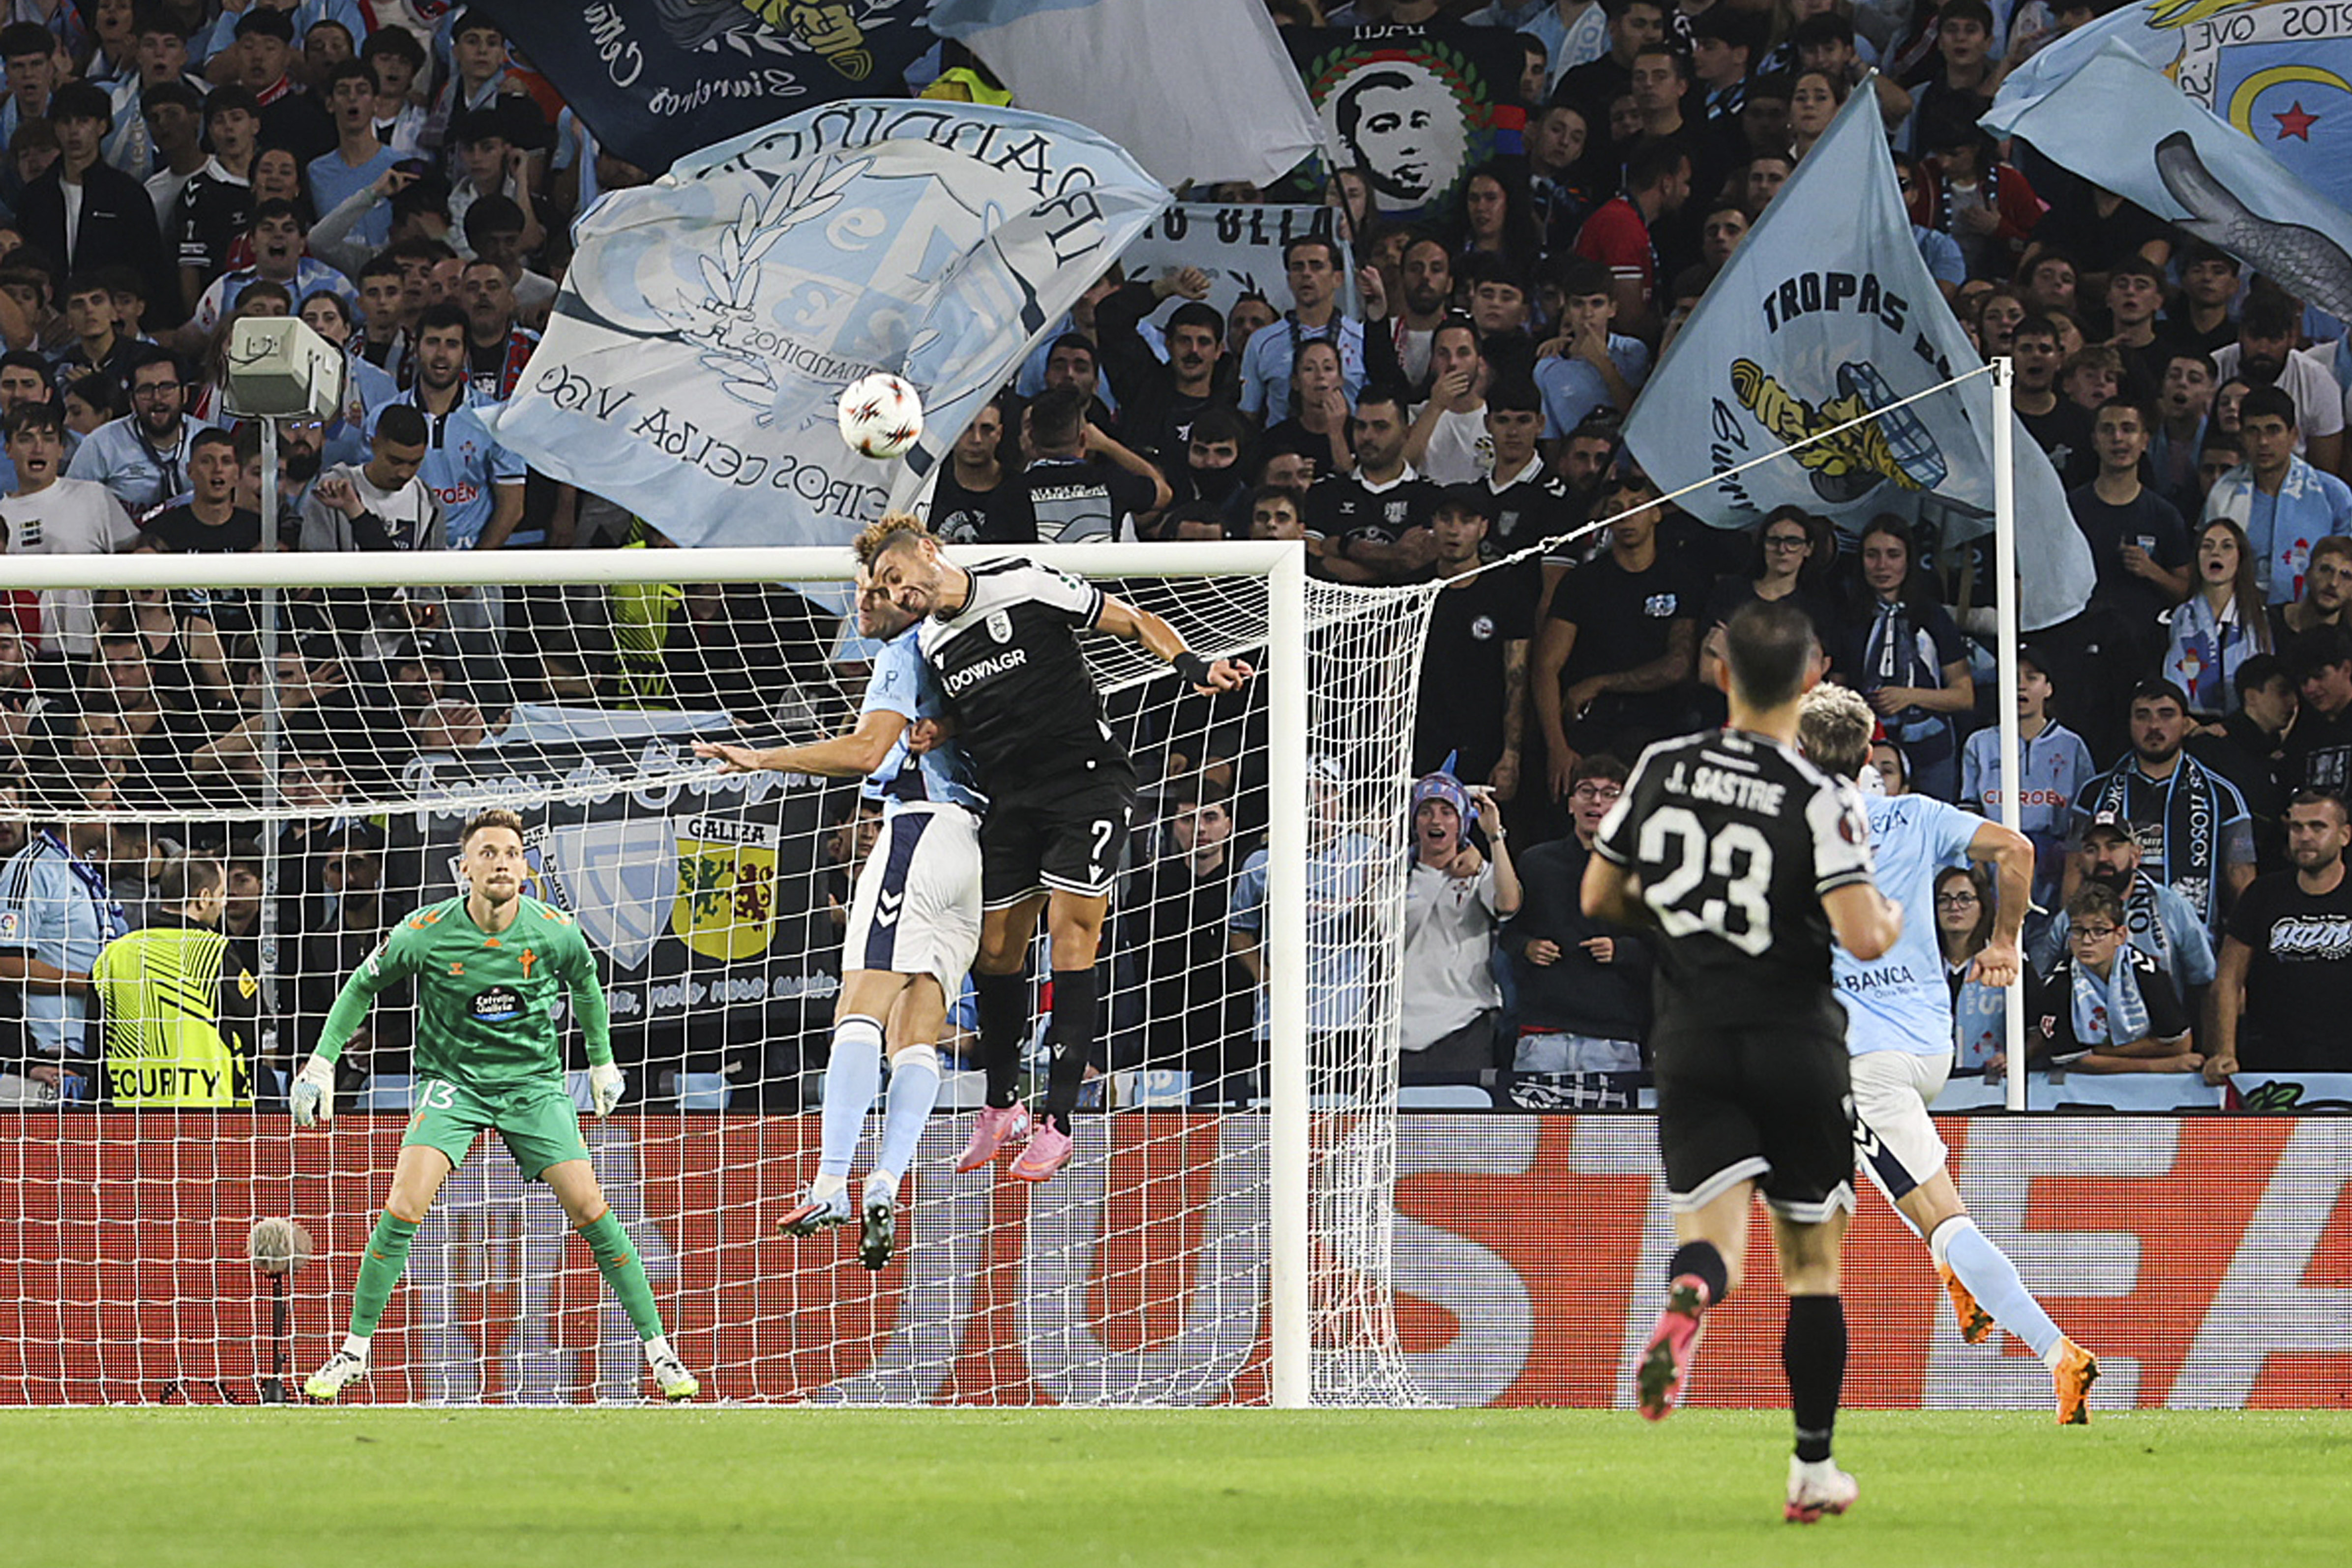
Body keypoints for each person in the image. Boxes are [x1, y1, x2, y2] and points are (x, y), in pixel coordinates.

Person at [1582, 599, 1902, 1520]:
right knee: (1810, 1267)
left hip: (1691, 1036)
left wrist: (1684, 916)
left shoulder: (1661, 765)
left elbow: (1600, 894)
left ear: (1719, 673)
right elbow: (1862, 935)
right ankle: (1811, 1469)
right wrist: (1885, 915)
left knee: (1715, 1240)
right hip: (1795, 1040)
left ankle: (1689, 1290)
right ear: (1811, 680)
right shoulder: (1821, 794)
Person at [863, 520, 1251, 1183]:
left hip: (1087, 781)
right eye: (883, 588)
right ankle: (1002, 1103)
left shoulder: (1020, 580)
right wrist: (940, 728)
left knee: (1073, 934)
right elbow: (972, 711)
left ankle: (1060, 1122)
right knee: (995, 949)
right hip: (1010, 795)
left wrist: (1191, 665)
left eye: (896, 576)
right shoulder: (928, 641)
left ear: (929, 552)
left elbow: (1133, 621)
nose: (896, 593)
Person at [290, 806, 699, 1404]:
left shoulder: (555, 930)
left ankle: (660, 1353)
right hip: (454, 1084)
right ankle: (353, 1353)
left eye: (511, 853)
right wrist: (321, 1062)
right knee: (403, 1204)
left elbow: (586, 986)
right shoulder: (425, 930)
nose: (501, 863)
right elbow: (363, 984)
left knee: (591, 1208)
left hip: (532, 1086)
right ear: (464, 868)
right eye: (487, 853)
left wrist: (602, 1061)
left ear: (526, 869)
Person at [1796, 683, 2099, 1424]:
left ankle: (2058, 1352)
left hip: (1863, 1060)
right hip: (1931, 1042)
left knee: (1938, 1213)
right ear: (1869, 753)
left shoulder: (1788, 834)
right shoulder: (1915, 813)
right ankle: (1954, 1274)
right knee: (1880, 1177)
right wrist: (2004, 941)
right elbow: (2017, 848)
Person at [695, 524, 985, 1269]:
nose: (865, 602)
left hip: (917, 830)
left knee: (858, 1008)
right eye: (861, 589)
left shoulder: (905, 652)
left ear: (910, 588)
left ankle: (829, 1182)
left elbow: (864, 751)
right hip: (975, 850)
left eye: (877, 589)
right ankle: (886, 1179)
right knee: (916, 1031)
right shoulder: (968, 647)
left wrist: (759, 756)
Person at [1533, 469, 1700, 796]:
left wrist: (1600, 683)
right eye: (1616, 509)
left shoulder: (1682, 578)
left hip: (1658, 726)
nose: (1627, 517)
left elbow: (1678, 666)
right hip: (1592, 729)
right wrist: (1557, 747)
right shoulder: (1582, 582)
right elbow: (1545, 666)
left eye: (1637, 506)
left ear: (1656, 513)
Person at [2072, 679, 2256, 942]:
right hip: (2109, 943)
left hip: (2193, 944)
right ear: (2130, 723)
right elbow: (2074, 873)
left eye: (2166, 715)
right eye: (2142, 716)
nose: (2154, 726)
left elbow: (2242, 882)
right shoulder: (2094, 794)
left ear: (2186, 724)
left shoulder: (2223, 796)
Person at [1504, 753, 1650, 1072]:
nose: (1596, 801)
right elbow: (1507, 934)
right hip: (1541, 1037)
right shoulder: (1535, 862)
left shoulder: (1642, 870)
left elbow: (1664, 949)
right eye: (1586, 790)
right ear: (1570, 804)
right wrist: (1527, 947)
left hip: (1613, 1040)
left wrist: (1621, 950)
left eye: (1609, 793)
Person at [1115, 778, 1254, 1102]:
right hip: (1164, 1039)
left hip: (1233, 1037)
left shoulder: (1247, 886)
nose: (1200, 829)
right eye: (1188, 819)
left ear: (1228, 825)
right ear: (1173, 826)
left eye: (1210, 817)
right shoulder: (1149, 891)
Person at [0, 756, 126, 1106]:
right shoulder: (32, 869)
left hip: (99, 1045)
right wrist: (91, 985)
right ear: (74, 811)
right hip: (53, 1053)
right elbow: (6, 964)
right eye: (104, 805)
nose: (114, 812)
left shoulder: (85, 871)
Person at [89, 854, 261, 1107]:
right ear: (204, 898)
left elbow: (96, 1044)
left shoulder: (113, 954)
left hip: (130, 1108)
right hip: (205, 1108)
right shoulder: (214, 951)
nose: (224, 902)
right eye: (222, 893)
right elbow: (252, 1023)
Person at [2205, 788, 2352, 1080]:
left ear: (2344, 835)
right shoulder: (2262, 894)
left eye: (2318, 827)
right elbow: (2228, 978)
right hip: (2272, 1062)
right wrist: (2224, 1052)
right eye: (2297, 827)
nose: (2305, 837)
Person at [1834, 515, 1973, 802]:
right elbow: (1836, 691)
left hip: (1931, 750)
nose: (1882, 565)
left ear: (1909, 559)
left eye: (1893, 555)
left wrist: (1909, 696)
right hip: (1867, 750)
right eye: (1872, 555)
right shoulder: (1847, 618)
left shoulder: (1932, 616)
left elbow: (1964, 696)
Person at [1958, 644, 2095, 917]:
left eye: (2032, 678)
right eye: (2013, 678)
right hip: (1996, 856)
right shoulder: (1980, 744)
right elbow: (1969, 811)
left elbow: (2084, 820)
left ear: (2048, 688)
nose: (2021, 686)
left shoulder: (2072, 745)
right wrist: (1978, 871)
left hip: (2054, 864)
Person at [1399, 770, 1520, 1076]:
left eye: (1447, 812)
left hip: (1465, 1026)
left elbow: (1509, 904)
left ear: (1462, 822)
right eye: (1425, 812)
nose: (1435, 820)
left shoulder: (1480, 874)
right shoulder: (1394, 878)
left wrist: (1494, 836)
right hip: (1400, 1030)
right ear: (1414, 822)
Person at [1414, 484, 1535, 788]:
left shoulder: (1507, 593)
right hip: (1421, 742)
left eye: (1466, 520)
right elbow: (1393, 677)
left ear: (1483, 528)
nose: (1454, 530)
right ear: (1433, 523)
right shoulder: (1411, 591)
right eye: (1446, 518)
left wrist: (1511, 754)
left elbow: (1516, 680)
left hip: (1485, 745)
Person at [2027, 882, 2201, 1074]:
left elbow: (2180, 1044)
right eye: (2078, 930)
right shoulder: (2059, 984)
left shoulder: (2147, 973)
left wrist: (2102, 1052)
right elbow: (2075, 1062)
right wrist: (2160, 1065)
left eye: (2099, 931)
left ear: (2120, 935)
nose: (2087, 941)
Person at [2203, 389, 2352, 609]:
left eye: (2273, 430)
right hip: (2239, 613)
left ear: (2293, 435)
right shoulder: (2223, 493)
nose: (2263, 442)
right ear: (2242, 437)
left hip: (2314, 617)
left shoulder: (2333, 494)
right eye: (2253, 431)